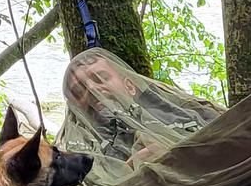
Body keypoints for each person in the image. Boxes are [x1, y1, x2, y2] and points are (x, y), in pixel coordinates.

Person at [61, 48, 219, 165]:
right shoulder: (87, 155)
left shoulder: (180, 114)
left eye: (101, 78)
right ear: (77, 110)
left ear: (130, 86)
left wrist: (172, 155)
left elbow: (227, 138)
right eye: (79, 91)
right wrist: (133, 171)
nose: (93, 90)